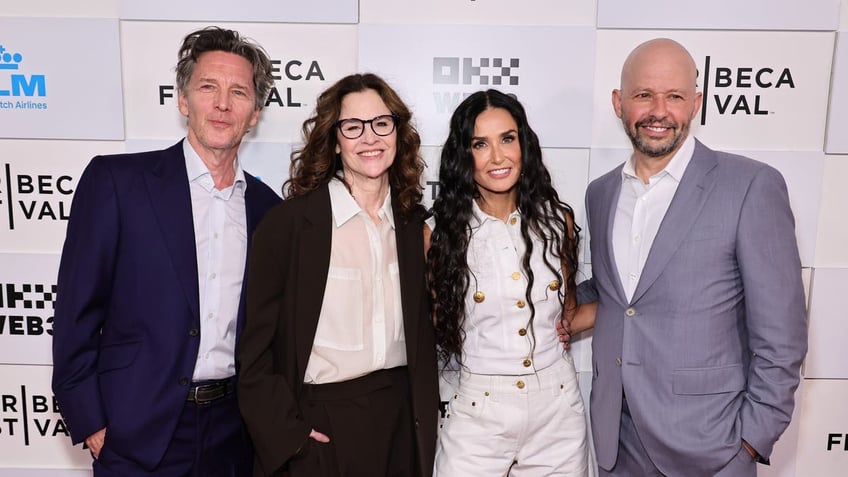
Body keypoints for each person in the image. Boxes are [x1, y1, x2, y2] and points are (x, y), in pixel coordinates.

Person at [51, 26, 281, 476]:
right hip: (136, 432)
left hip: (234, 434)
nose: (222, 104)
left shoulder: (268, 209)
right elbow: (76, 311)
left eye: (238, 92)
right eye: (208, 87)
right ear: (182, 99)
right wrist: (91, 420)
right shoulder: (118, 183)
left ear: (254, 114)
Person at [581, 38, 808, 476]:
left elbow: (782, 336)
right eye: (644, 95)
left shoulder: (750, 186)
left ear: (697, 102)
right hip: (618, 445)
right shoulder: (601, 194)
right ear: (619, 102)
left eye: (675, 96)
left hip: (712, 448)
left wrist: (750, 439)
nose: (659, 111)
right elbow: (617, 290)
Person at [237, 73, 439, 477]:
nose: (370, 138)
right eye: (353, 127)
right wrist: (290, 437)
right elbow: (254, 355)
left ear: (398, 133)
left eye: (382, 123)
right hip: (321, 430)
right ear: (334, 140)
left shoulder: (414, 227)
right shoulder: (289, 226)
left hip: (401, 425)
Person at [427, 89, 590, 476]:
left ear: (524, 144)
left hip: (558, 411)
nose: (498, 157)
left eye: (508, 139)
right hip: (476, 410)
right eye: (480, 144)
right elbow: (433, 324)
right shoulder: (438, 234)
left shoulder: (556, 221)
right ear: (464, 156)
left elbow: (567, 314)